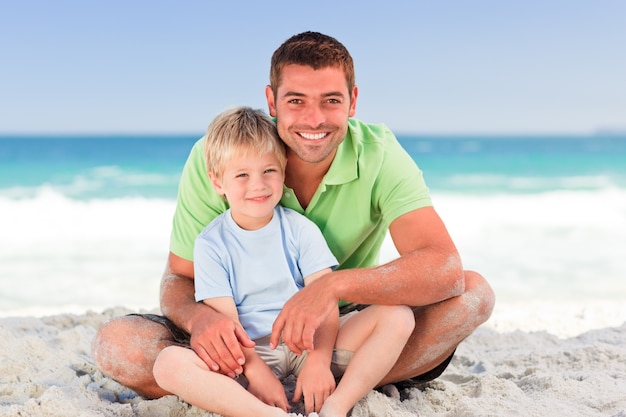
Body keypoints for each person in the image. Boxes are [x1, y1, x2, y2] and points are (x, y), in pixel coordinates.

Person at [92, 30, 495, 405]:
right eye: (296, 100)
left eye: (331, 101)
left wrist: (331, 288)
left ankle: (308, 387)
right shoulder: (223, 155)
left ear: (353, 101)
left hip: (336, 331)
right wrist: (200, 321)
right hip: (240, 337)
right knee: (119, 345)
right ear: (272, 101)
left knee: (474, 294)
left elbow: (444, 269)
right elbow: (180, 278)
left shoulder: (380, 154)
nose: (314, 119)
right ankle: (267, 389)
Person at [152, 106, 416, 417]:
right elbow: (227, 324)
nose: (258, 185)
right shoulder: (210, 244)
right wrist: (256, 372)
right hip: (248, 353)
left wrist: (318, 363)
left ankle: (337, 405)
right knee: (168, 364)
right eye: (242, 175)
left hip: (308, 343)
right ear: (217, 182)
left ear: (283, 170)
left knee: (398, 316)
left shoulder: (300, 229)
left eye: (268, 171)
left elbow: (324, 301)